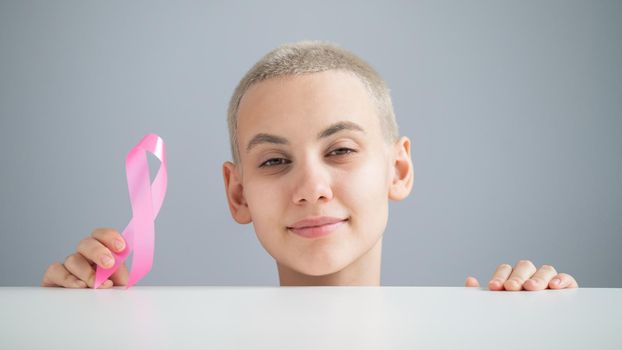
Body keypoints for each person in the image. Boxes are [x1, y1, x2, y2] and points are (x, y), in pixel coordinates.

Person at [41, 41, 579, 290]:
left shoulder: (481, 327)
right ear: (238, 194)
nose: (310, 187)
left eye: (340, 150)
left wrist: (536, 324)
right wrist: (72, 324)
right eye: (275, 160)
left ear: (398, 170)